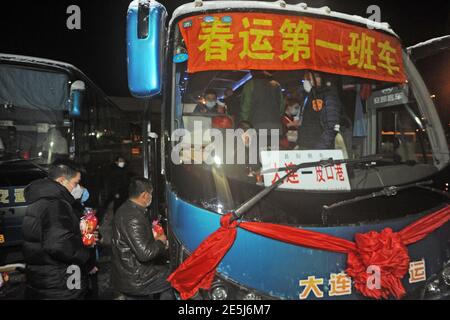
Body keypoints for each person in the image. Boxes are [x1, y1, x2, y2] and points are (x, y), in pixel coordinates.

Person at [22, 160, 95, 299]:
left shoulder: (41, 200)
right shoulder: (56, 204)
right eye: (75, 183)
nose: (78, 187)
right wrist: (85, 255)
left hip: (44, 279)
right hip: (60, 282)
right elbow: (58, 245)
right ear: (62, 181)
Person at [111, 178, 173, 300]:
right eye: (151, 194)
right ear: (144, 195)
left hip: (129, 272)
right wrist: (161, 241)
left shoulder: (128, 209)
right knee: (174, 277)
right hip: (136, 277)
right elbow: (145, 254)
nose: (151, 197)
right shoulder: (133, 217)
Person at [297, 71, 342, 150]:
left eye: (309, 78)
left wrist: (319, 148)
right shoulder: (308, 95)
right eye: (306, 78)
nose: (308, 81)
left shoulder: (328, 95)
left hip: (320, 149)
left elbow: (332, 126)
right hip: (305, 147)